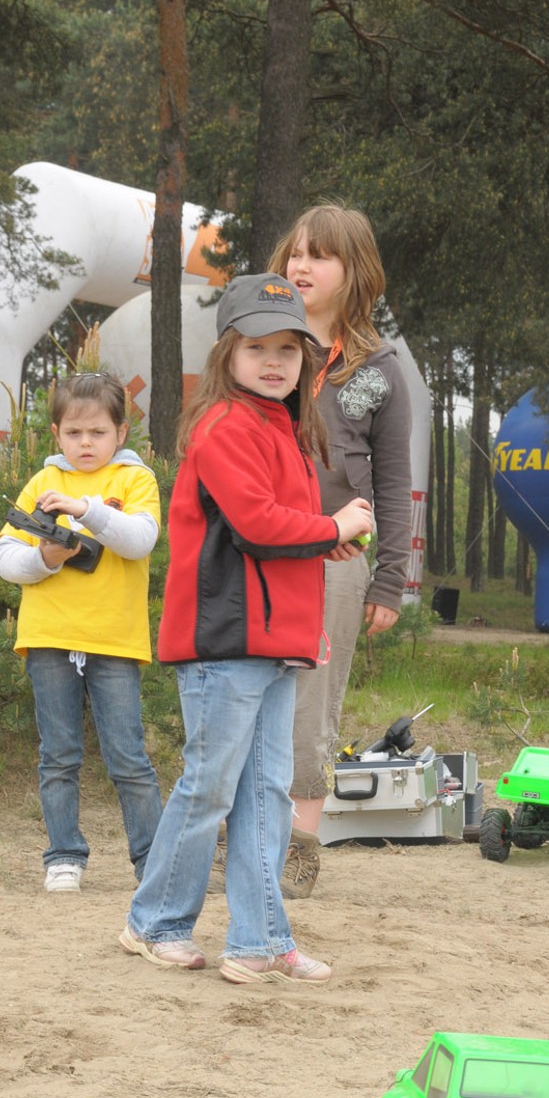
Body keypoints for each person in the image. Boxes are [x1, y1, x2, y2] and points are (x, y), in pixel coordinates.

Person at [119, 273, 372, 982]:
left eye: (288, 349)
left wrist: (327, 539)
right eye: (257, 345)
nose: (273, 360)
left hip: (275, 644)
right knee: (210, 786)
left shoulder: (283, 429)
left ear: (308, 361)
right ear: (228, 353)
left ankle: (259, 939)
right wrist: (330, 526)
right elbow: (260, 527)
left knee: (265, 792)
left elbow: (282, 534)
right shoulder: (225, 425)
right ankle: (154, 922)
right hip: (224, 642)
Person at [266, 205, 414, 899]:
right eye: (295, 253)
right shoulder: (263, 346)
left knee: (311, 706)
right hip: (257, 547)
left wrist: (391, 581)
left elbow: (393, 482)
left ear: (355, 272)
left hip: (334, 562)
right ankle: (235, 841)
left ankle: (297, 850)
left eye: (319, 256)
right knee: (245, 692)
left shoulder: (380, 369)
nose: (301, 266)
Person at [0, 371, 163, 892]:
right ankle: (63, 855)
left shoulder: (135, 481)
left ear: (120, 433)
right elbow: (5, 557)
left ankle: (152, 864)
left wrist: (87, 510)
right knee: (58, 754)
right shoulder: (41, 484)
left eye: (97, 432)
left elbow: (141, 541)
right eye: (74, 433)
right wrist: (46, 557)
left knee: (128, 757)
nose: (85, 443)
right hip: (48, 637)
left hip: (114, 639)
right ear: (56, 433)